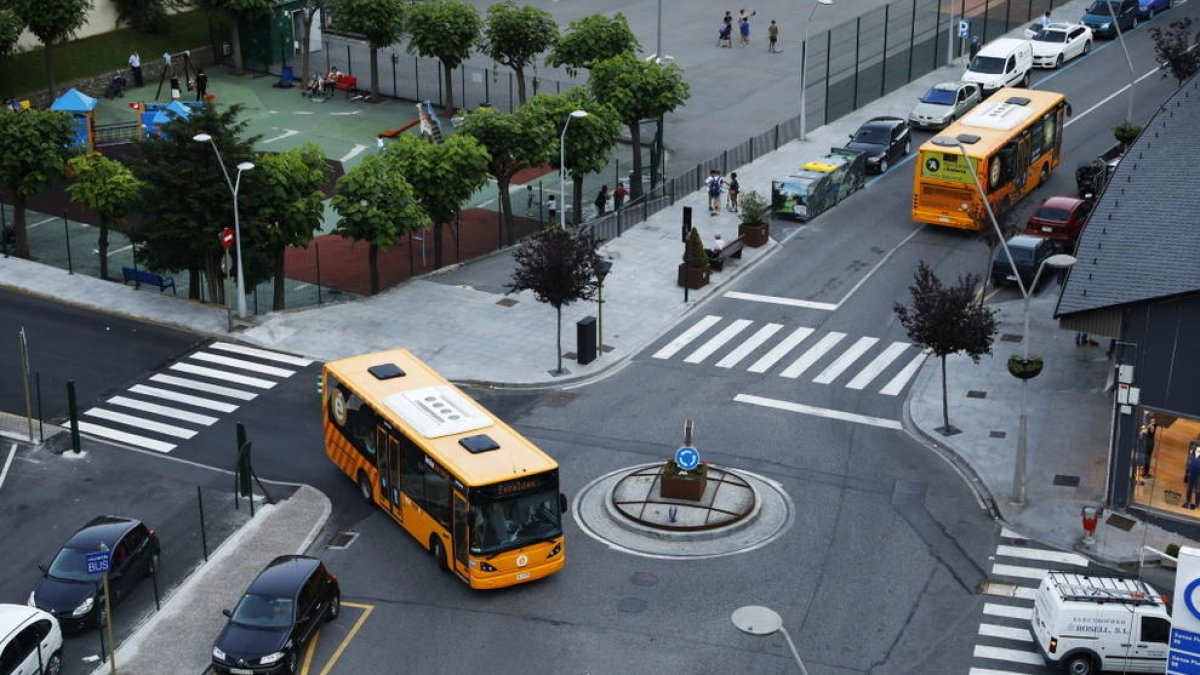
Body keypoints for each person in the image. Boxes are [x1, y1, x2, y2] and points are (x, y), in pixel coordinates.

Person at [1139, 413, 1158, 479]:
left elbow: (1151, 430)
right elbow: (1145, 431)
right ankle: (1144, 472)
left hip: (1148, 442)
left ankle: (1144, 472)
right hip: (1146, 442)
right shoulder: (1146, 420)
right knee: (1145, 457)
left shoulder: (1152, 421)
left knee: (1146, 457)